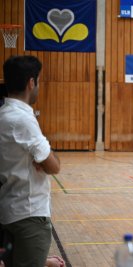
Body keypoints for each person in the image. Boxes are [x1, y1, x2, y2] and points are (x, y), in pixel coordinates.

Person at [0, 55, 61, 266]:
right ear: (31, 82)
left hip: (10, 211)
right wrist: (47, 155)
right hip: (29, 214)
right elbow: (53, 165)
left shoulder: (4, 114)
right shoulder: (23, 119)